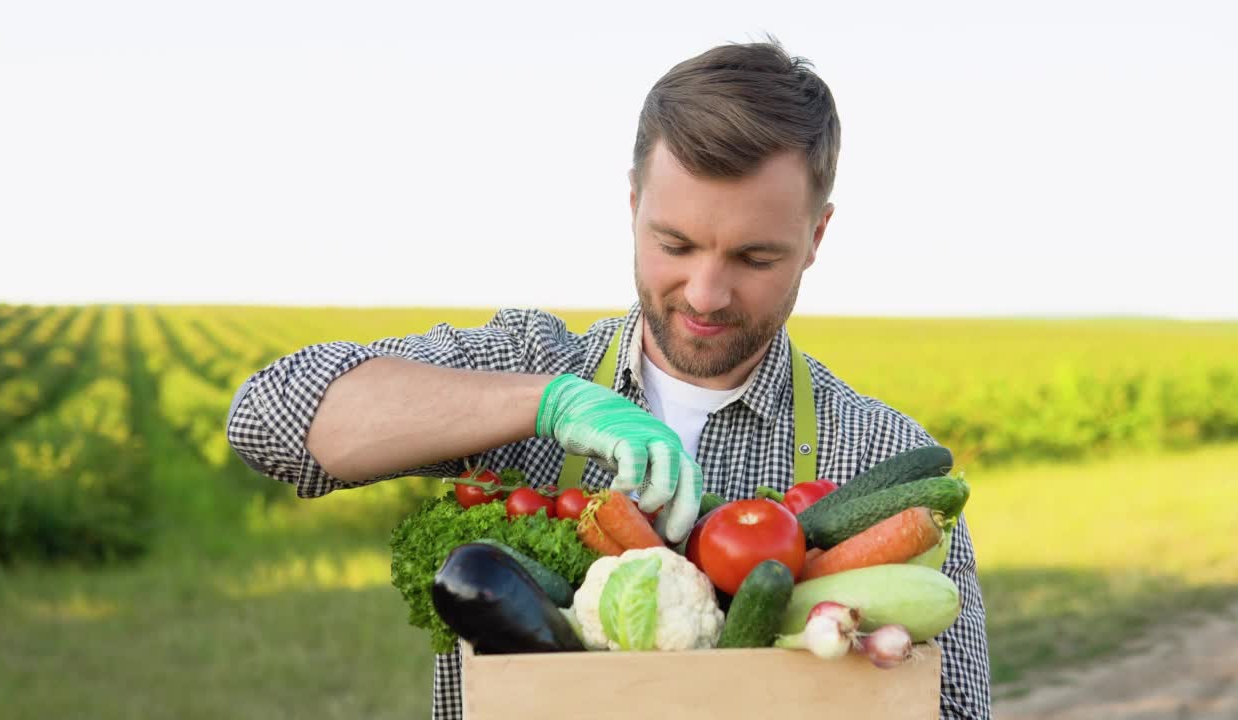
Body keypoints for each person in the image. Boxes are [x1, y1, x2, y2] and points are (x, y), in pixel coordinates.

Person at [225, 35, 992, 720]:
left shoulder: (877, 455)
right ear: (632, 207)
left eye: (755, 258)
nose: (705, 293)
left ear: (816, 236)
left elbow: (956, 705)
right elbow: (268, 420)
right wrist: (548, 403)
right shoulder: (531, 362)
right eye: (676, 243)